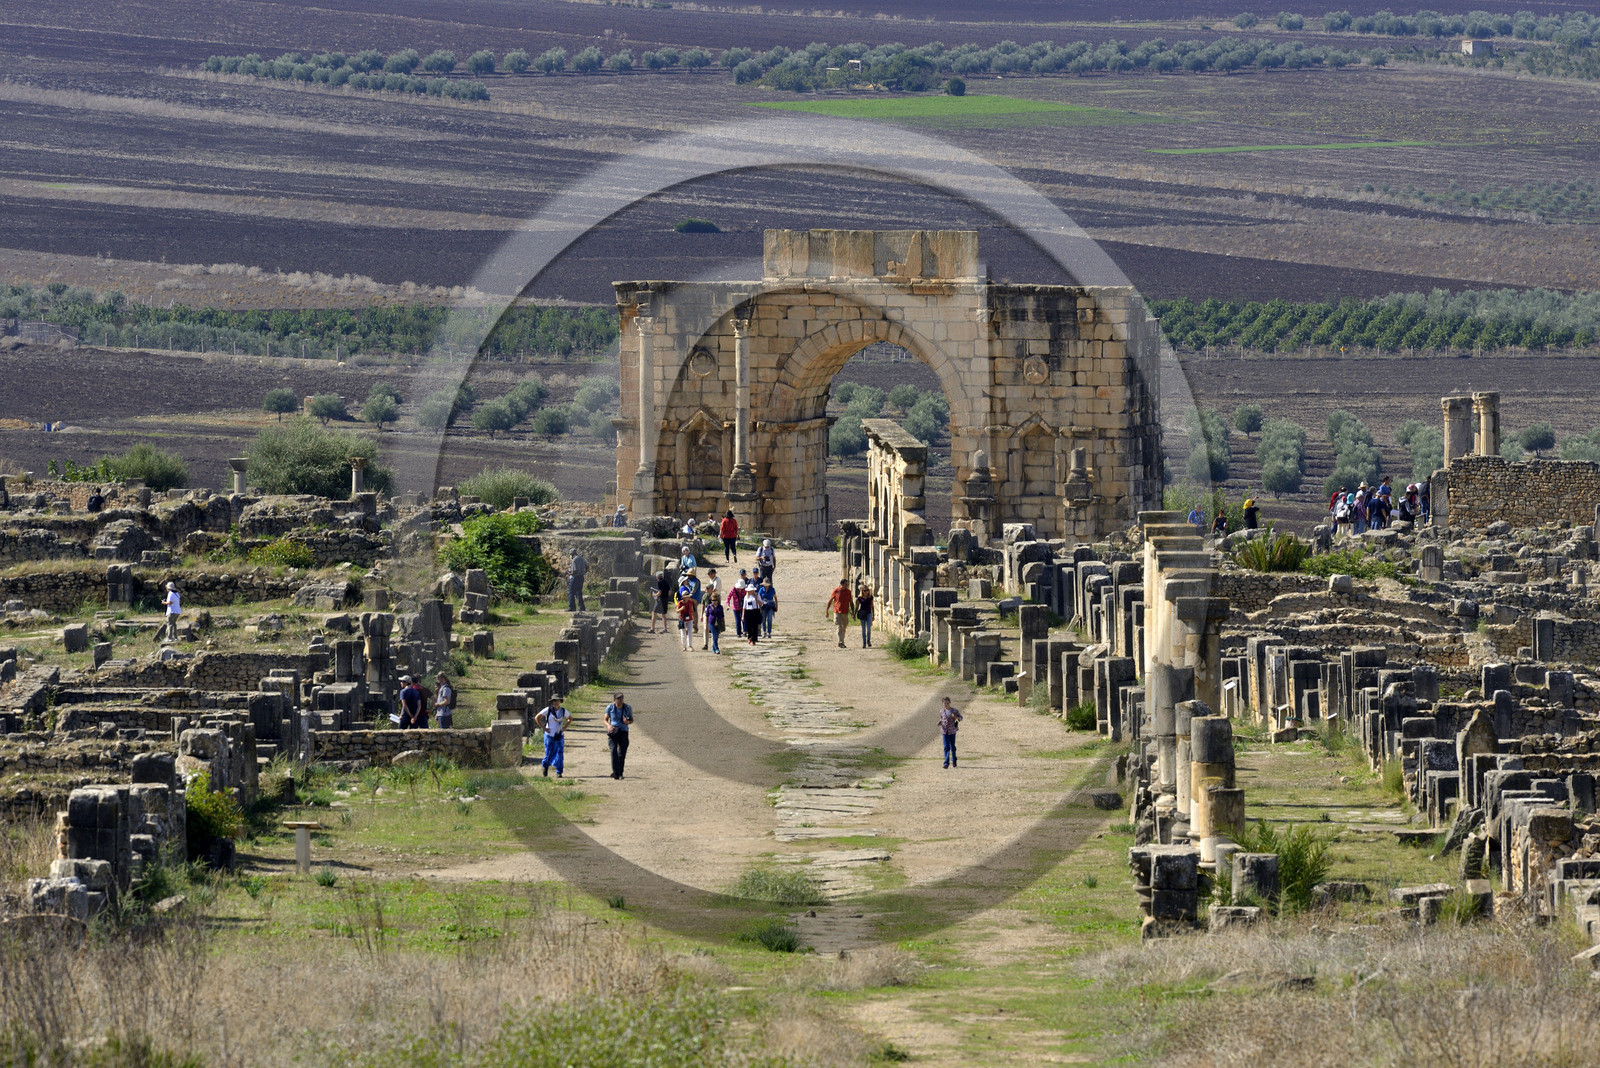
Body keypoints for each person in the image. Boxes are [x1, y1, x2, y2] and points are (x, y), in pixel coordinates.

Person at [535, 696, 570, 777]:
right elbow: (537, 718)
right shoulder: (548, 710)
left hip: (559, 735)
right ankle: (545, 766)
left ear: (560, 702)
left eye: (557, 700)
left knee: (559, 753)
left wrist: (565, 727)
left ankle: (559, 772)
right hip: (549, 736)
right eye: (554, 701)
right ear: (552, 702)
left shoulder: (563, 711)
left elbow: (570, 718)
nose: (556, 702)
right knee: (549, 753)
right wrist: (543, 728)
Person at [603, 692, 634, 779]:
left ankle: (620, 773)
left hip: (623, 731)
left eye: (622, 698)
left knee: (622, 753)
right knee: (613, 751)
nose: (621, 700)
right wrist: (608, 726)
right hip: (613, 731)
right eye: (619, 698)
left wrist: (627, 722)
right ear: (614, 700)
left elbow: (631, 720)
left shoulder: (627, 708)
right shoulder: (610, 707)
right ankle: (615, 772)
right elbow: (605, 719)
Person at [826, 577, 854, 648]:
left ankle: (842, 640)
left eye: (847, 584)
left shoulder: (848, 591)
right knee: (839, 626)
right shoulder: (836, 590)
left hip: (845, 612)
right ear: (841, 584)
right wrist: (827, 611)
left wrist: (853, 612)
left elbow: (851, 602)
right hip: (837, 611)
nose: (847, 586)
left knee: (844, 627)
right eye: (845, 584)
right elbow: (830, 601)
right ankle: (840, 642)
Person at [938, 697, 963, 769]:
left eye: (947, 703)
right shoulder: (941, 711)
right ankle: (946, 762)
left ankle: (954, 760)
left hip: (952, 731)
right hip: (944, 731)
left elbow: (960, 718)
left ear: (950, 703)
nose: (946, 705)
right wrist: (940, 723)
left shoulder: (954, 711)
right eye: (944, 703)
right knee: (946, 747)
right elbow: (941, 719)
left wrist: (955, 716)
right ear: (942, 703)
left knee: (952, 747)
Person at [702, 568, 720, 649]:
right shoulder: (711, 581)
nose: (709, 576)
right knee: (706, 627)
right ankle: (706, 644)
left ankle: (714, 645)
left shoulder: (717, 581)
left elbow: (715, 590)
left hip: (715, 602)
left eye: (710, 574)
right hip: (708, 608)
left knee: (714, 627)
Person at [727, 572, 748, 638]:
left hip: (742, 607)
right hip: (735, 607)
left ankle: (744, 631)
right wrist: (728, 605)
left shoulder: (745, 590)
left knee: (744, 618)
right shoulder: (733, 589)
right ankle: (738, 633)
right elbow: (728, 597)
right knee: (737, 620)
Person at [855, 581, 875, 648]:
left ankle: (868, 640)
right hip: (862, 614)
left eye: (867, 590)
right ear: (862, 591)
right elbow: (857, 606)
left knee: (868, 628)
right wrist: (854, 613)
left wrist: (873, 615)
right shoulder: (860, 598)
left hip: (869, 613)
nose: (866, 592)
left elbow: (872, 606)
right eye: (864, 590)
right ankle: (864, 642)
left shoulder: (870, 597)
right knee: (863, 629)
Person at [676, 586, 697, 651]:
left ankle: (689, 645)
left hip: (690, 618)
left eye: (688, 596)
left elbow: (692, 609)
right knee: (683, 633)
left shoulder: (690, 602)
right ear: (684, 597)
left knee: (690, 632)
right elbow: (677, 611)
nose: (688, 597)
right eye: (687, 597)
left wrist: (693, 617)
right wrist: (681, 608)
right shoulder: (680, 603)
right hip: (683, 619)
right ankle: (684, 646)